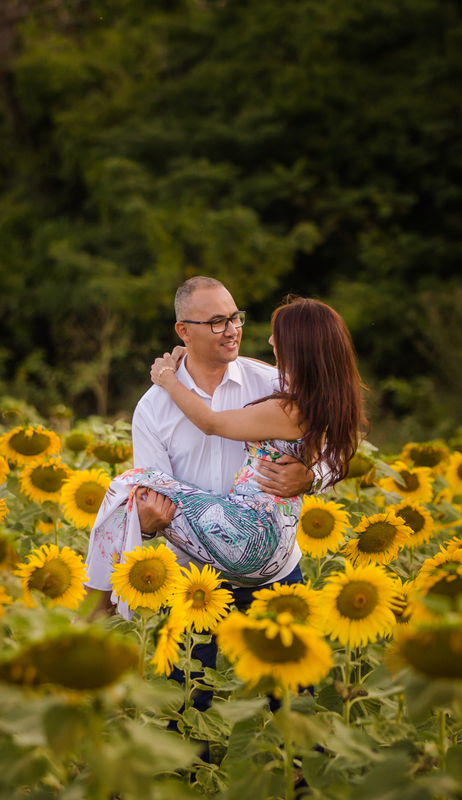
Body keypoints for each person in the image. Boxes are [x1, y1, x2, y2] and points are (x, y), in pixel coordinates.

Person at [83, 278, 366, 724]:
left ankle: (94, 611)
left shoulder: (273, 383)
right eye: (217, 321)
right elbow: (156, 502)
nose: (233, 329)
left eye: (235, 317)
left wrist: (311, 478)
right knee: (185, 700)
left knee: (294, 695)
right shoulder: (153, 408)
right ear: (184, 332)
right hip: (192, 575)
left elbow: (339, 445)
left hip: (272, 572)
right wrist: (148, 521)